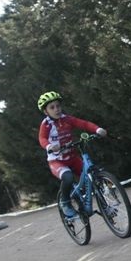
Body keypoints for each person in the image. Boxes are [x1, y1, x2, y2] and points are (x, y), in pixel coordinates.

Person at [37, 91, 106, 219]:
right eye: (52, 107)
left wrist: (97, 129)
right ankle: (65, 203)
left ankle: (103, 202)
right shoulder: (46, 124)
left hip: (72, 157)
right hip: (57, 160)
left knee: (91, 174)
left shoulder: (67, 119)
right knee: (67, 177)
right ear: (46, 111)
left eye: (58, 106)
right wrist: (49, 146)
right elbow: (42, 138)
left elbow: (83, 124)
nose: (56, 109)